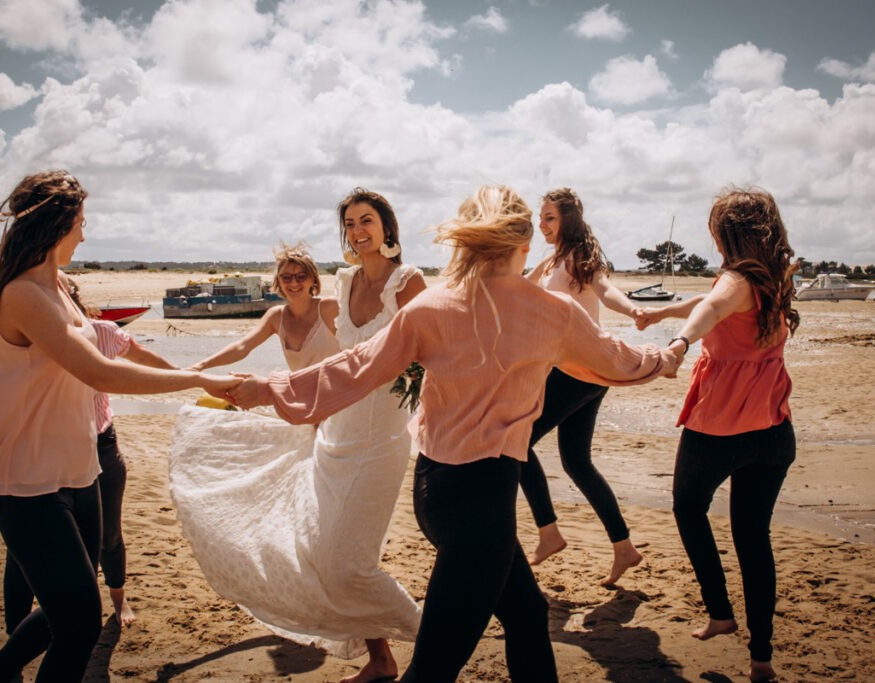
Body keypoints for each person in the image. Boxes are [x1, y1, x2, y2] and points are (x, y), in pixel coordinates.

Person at [227, 184, 682, 682]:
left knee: (528, 614)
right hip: (483, 503)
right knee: (432, 670)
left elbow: (354, 368)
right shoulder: (553, 313)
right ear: (525, 243)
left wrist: (269, 388)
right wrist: (671, 355)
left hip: (433, 495)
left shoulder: (433, 306)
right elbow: (620, 361)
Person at [0, 170, 238, 683]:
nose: (85, 236)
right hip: (25, 482)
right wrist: (199, 378)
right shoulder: (22, 295)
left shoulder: (60, 289)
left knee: (70, 609)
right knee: (79, 626)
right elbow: (99, 372)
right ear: (57, 224)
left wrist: (194, 373)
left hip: (80, 472)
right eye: (81, 224)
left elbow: (119, 347)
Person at [170, 190, 426, 683]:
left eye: (367, 220)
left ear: (387, 227)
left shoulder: (407, 282)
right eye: (349, 223)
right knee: (324, 552)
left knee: (347, 564)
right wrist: (204, 373)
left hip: (381, 437)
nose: (358, 231)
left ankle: (434, 638)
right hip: (333, 429)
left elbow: (423, 352)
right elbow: (342, 360)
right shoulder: (346, 281)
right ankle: (381, 659)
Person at [635, 186, 798, 683]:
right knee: (753, 538)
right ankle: (761, 657)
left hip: (721, 428)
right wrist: (663, 313)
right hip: (773, 430)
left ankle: (720, 612)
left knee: (688, 508)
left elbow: (711, 309)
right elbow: (711, 302)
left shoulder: (734, 280)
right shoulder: (773, 277)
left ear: (725, 233)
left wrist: (678, 344)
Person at [1, 280, 178, 633]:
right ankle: (16, 630)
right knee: (25, 546)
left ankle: (118, 598)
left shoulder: (102, 332)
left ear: (70, 300)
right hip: (47, 448)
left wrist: (189, 377)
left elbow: (142, 357)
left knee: (108, 534)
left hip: (100, 445)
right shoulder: (33, 334)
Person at [518, 188, 645, 585]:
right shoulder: (555, 259)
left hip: (576, 372)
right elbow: (520, 290)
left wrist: (634, 310)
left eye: (550, 218)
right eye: (541, 218)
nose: (542, 225)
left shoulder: (579, 257)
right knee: (577, 462)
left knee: (518, 443)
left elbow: (606, 291)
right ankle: (624, 547)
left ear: (568, 219)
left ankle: (548, 532)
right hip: (586, 373)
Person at [189, 243, 340, 378]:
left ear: (313, 279)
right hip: (303, 395)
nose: (294, 283)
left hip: (340, 395)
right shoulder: (276, 316)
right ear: (278, 281)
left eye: (301, 276)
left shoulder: (330, 308)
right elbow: (242, 347)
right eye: (286, 277)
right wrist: (199, 367)